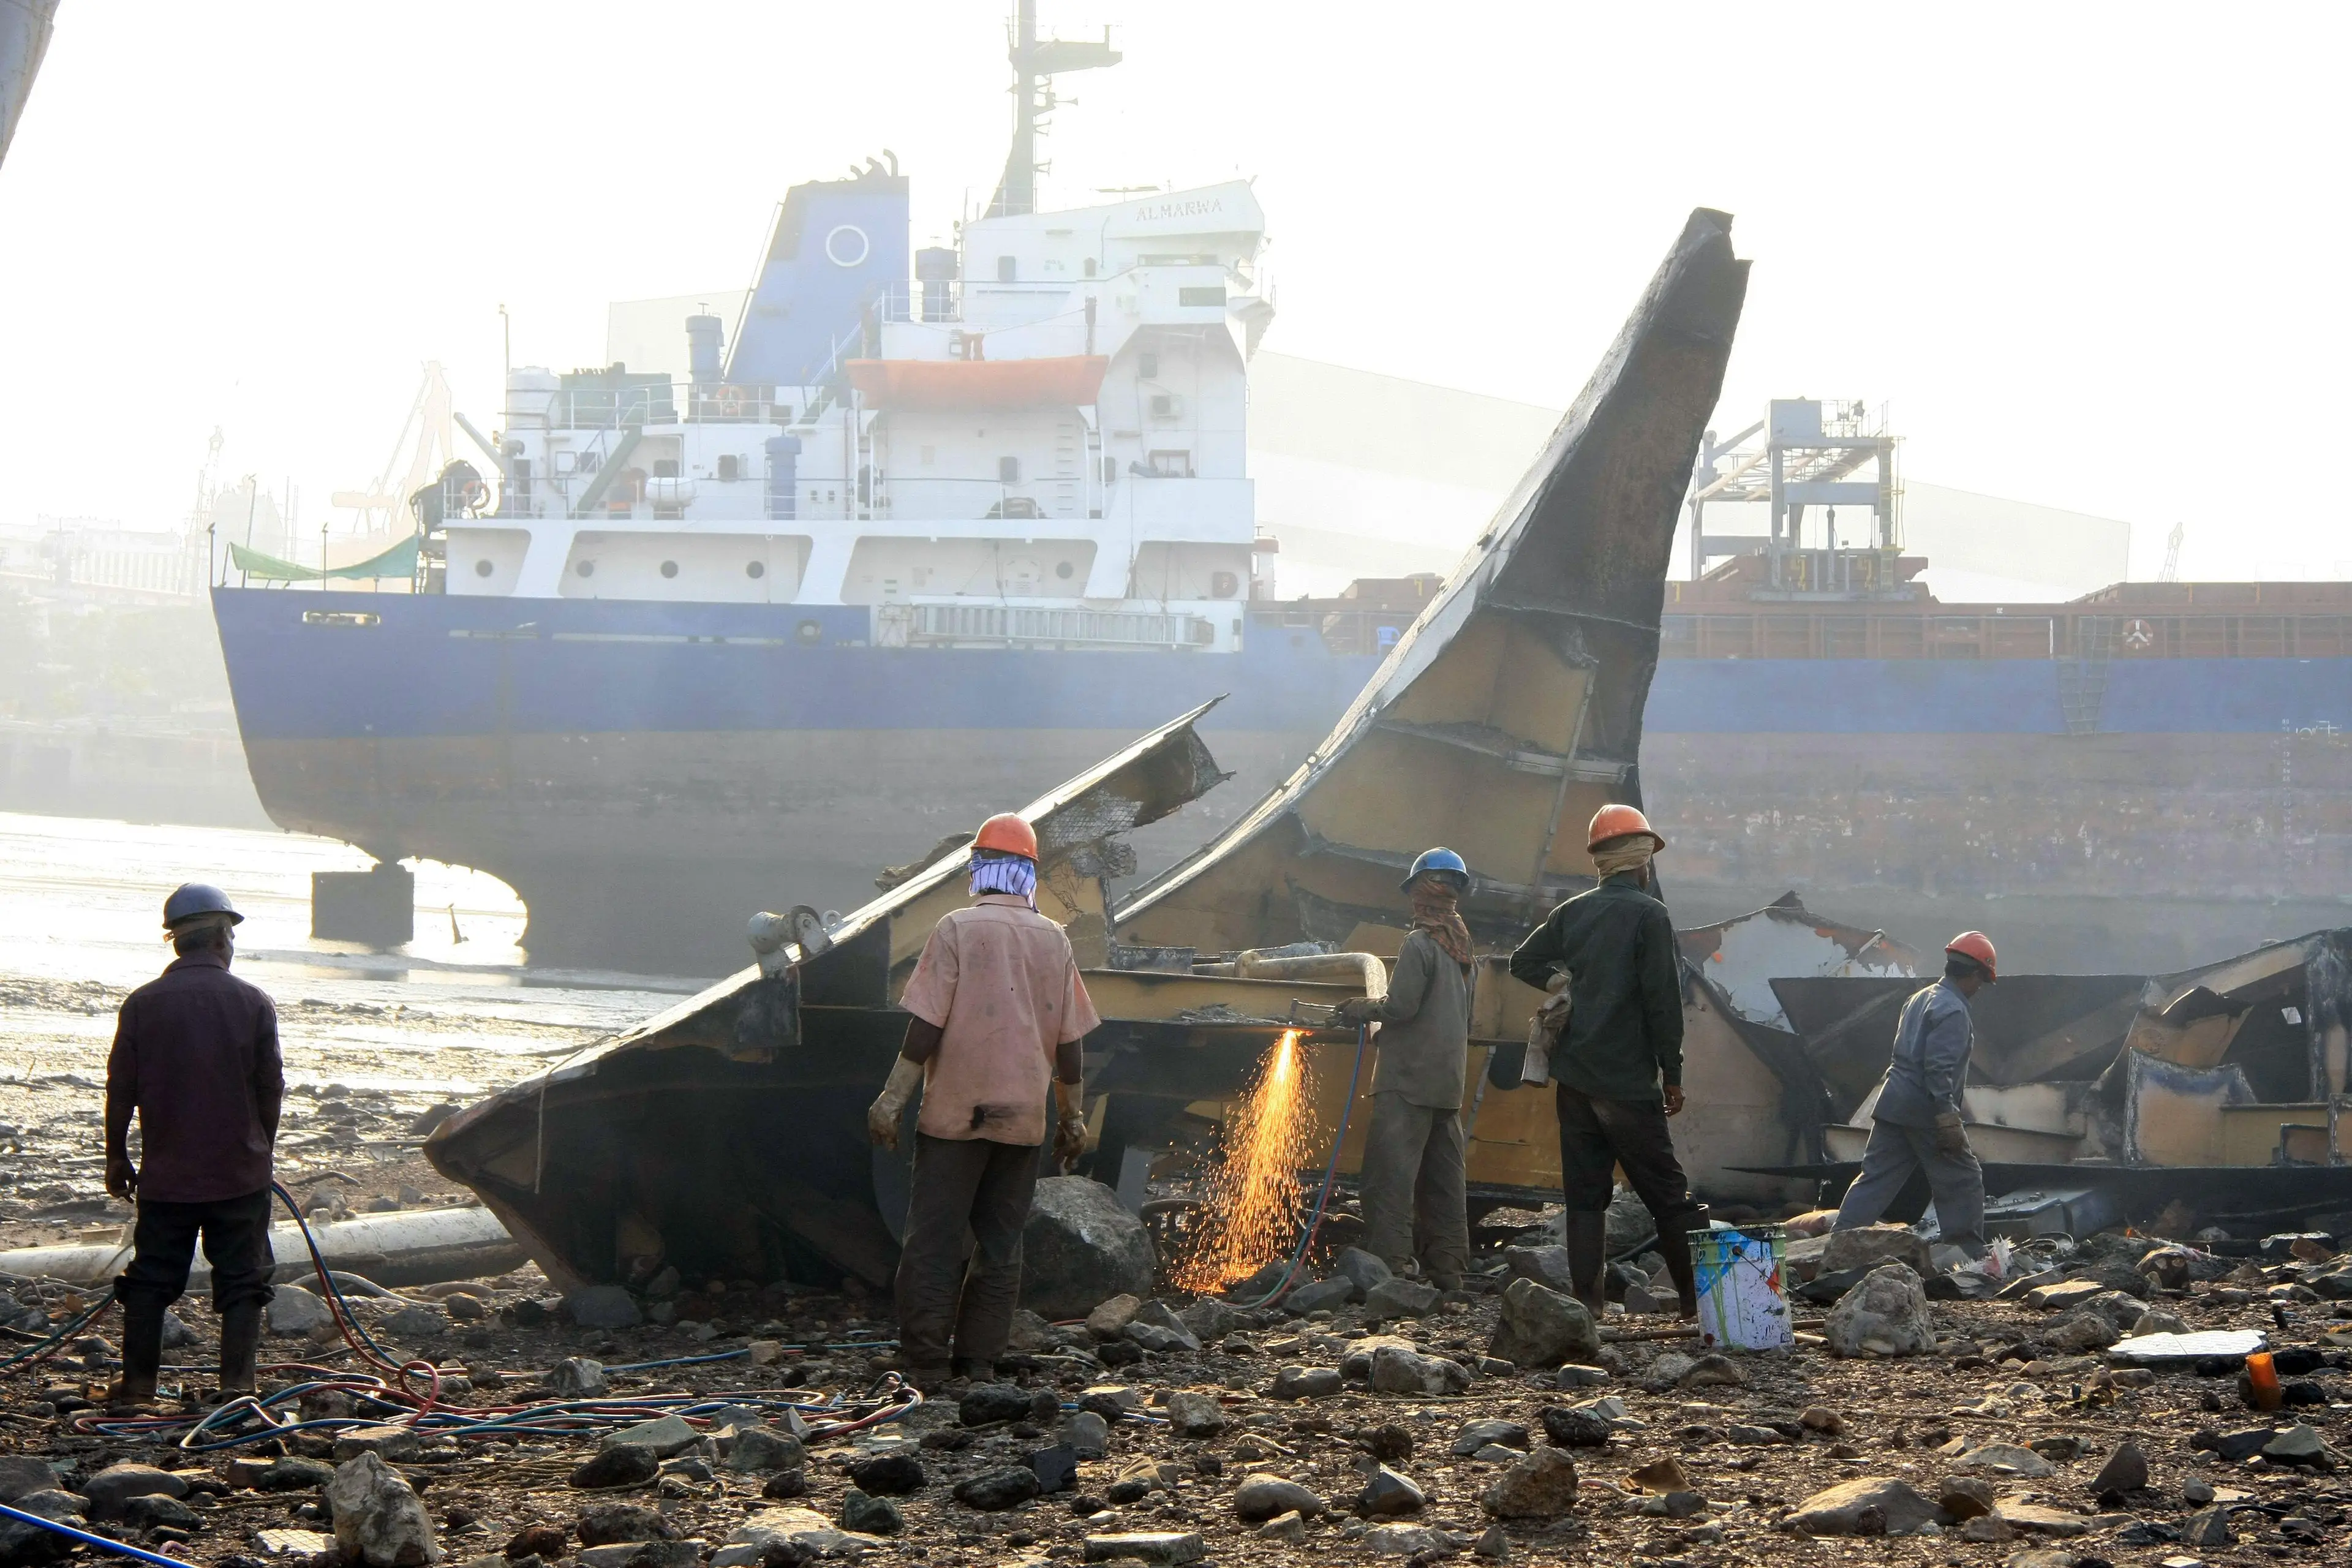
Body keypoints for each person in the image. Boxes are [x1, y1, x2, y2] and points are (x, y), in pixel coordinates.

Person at [867, 813, 1099, 1390]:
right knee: (1001, 1245)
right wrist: (1072, 1118)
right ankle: (979, 1363)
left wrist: (891, 1100)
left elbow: (925, 1028)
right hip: (1022, 1122)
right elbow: (1070, 1047)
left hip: (953, 1120)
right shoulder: (1056, 940)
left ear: (980, 870)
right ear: (1029, 875)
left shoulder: (955, 929)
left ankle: (925, 1363)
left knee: (934, 1241)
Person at [1508, 804, 1709, 1319]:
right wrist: (1674, 1075)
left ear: (1603, 861)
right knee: (1669, 1195)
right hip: (1626, 1081)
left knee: (1584, 1195)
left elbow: (1522, 960)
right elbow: (1663, 1002)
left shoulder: (1572, 912)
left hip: (1575, 1078)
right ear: (1643, 862)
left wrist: (1561, 983)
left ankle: (1588, 1307)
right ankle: (1698, 1305)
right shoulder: (1650, 915)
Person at [104, 883, 282, 1408]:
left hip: (167, 1177)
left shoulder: (141, 1005)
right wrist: (260, 1149)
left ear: (177, 943)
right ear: (224, 939)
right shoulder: (252, 1002)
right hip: (239, 1175)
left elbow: (121, 1089)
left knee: (151, 1278)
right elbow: (270, 1087)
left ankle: (138, 1387)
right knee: (244, 1279)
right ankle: (237, 1388)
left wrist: (117, 1156)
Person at [1336, 848, 1478, 1291]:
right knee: (1444, 1184)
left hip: (1407, 1081)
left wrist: (1356, 1008)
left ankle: (1391, 1270)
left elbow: (1400, 1007)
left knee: (1389, 1181)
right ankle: (1450, 1272)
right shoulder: (1463, 948)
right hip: (1447, 1083)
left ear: (1419, 893)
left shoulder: (1419, 944)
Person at [1829, 932, 1998, 1259]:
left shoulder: (1919, 998)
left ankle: (1837, 1247)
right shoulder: (1953, 1011)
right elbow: (1938, 1068)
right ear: (1974, 974)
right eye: (1981, 980)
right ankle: (1967, 1255)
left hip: (1892, 1103)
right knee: (1962, 1178)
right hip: (1926, 1110)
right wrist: (1947, 1117)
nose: (1979, 988)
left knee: (1875, 1179)